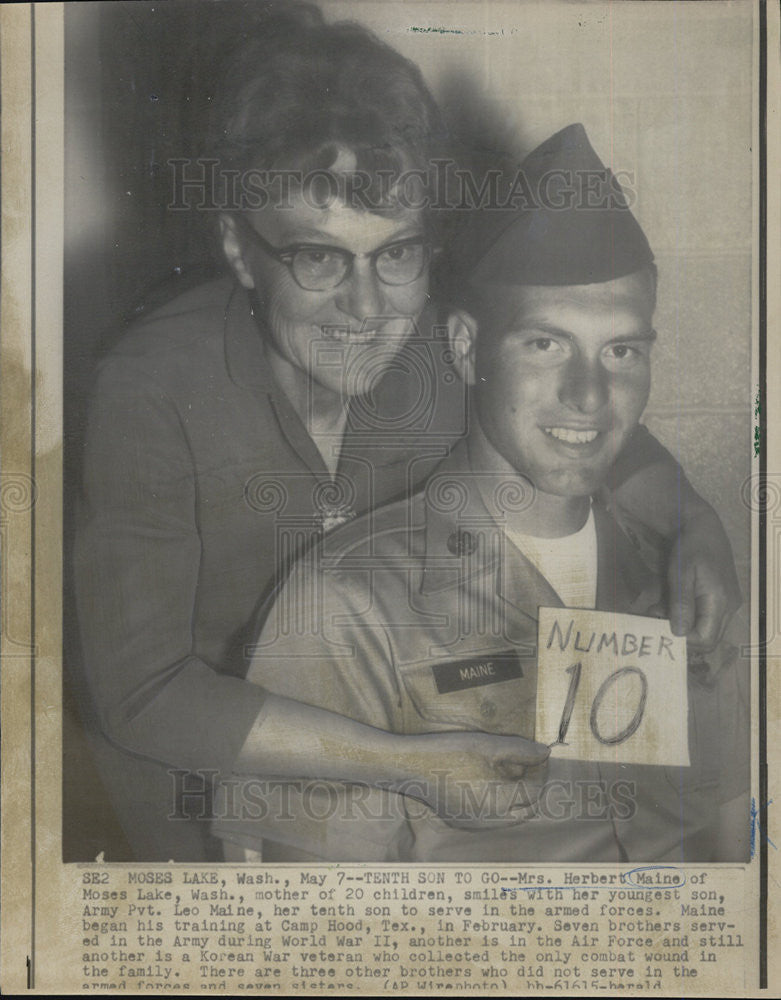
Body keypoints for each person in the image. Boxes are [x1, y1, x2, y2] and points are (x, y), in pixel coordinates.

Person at [73, 2, 740, 862]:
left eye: (396, 253)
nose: (366, 309)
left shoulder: (438, 342)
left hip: (411, 751)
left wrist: (696, 527)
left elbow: (576, 421)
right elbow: (144, 696)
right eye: (318, 257)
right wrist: (402, 765)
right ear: (240, 252)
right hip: (196, 785)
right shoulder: (152, 384)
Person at [228, 124, 749, 863]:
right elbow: (313, 936)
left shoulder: (687, 582)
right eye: (545, 344)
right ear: (467, 349)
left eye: (621, 351)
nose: (589, 395)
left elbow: (735, 845)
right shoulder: (345, 605)